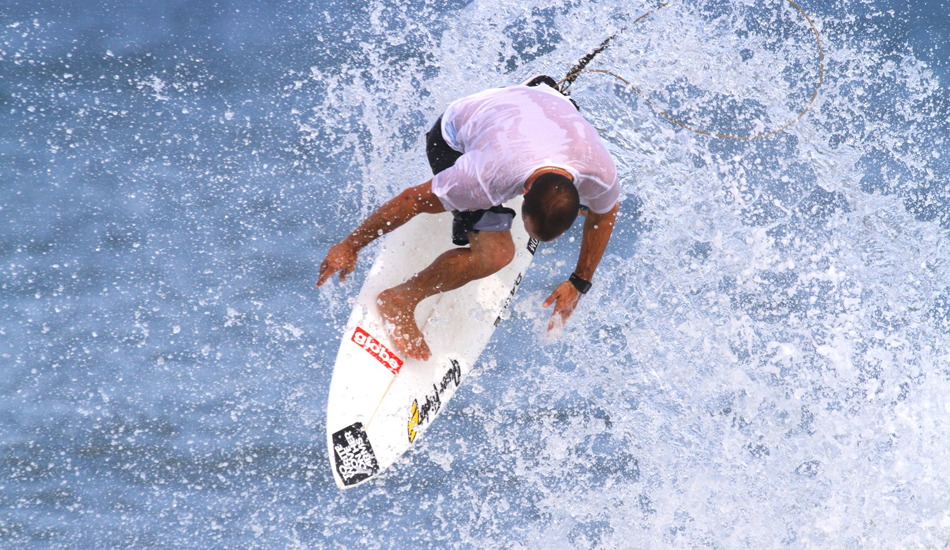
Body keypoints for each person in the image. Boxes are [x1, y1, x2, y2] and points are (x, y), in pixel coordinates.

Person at [316, 76, 620, 361]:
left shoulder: (602, 174)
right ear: (524, 193)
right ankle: (400, 300)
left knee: (594, 203)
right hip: (455, 134)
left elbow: (605, 215)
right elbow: (411, 201)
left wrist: (579, 282)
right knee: (496, 255)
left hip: (541, 103)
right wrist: (350, 245)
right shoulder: (483, 179)